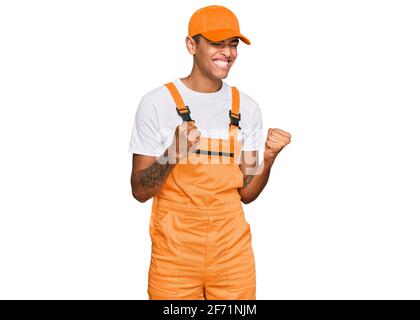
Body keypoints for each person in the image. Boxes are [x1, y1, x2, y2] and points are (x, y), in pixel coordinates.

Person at [129, 5, 291, 300]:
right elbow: (140, 190)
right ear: (192, 45)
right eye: (217, 43)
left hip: (232, 256)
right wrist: (171, 155)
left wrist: (268, 158)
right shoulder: (156, 103)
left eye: (233, 44)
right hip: (174, 257)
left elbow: (247, 193)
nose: (227, 53)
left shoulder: (247, 108)